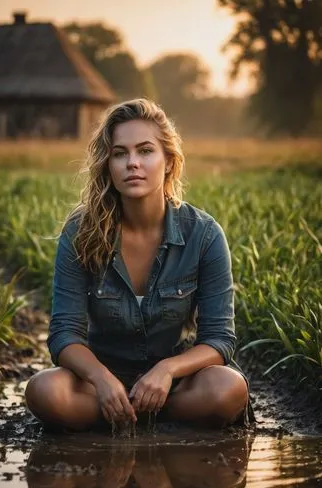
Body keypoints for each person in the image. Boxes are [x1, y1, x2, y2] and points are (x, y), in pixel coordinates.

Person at [25, 98, 252, 431]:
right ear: (108, 165)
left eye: (145, 151)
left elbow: (220, 340)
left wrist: (167, 371)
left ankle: (144, 413)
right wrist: (101, 380)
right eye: (120, 153)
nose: (132, 163)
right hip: (99, 385)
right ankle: (130, 411)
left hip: (174, 386)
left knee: (228, 388)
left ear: (169, 162)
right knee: (44, 390)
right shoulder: (80, 232)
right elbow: (64, 335)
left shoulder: (204, 235)